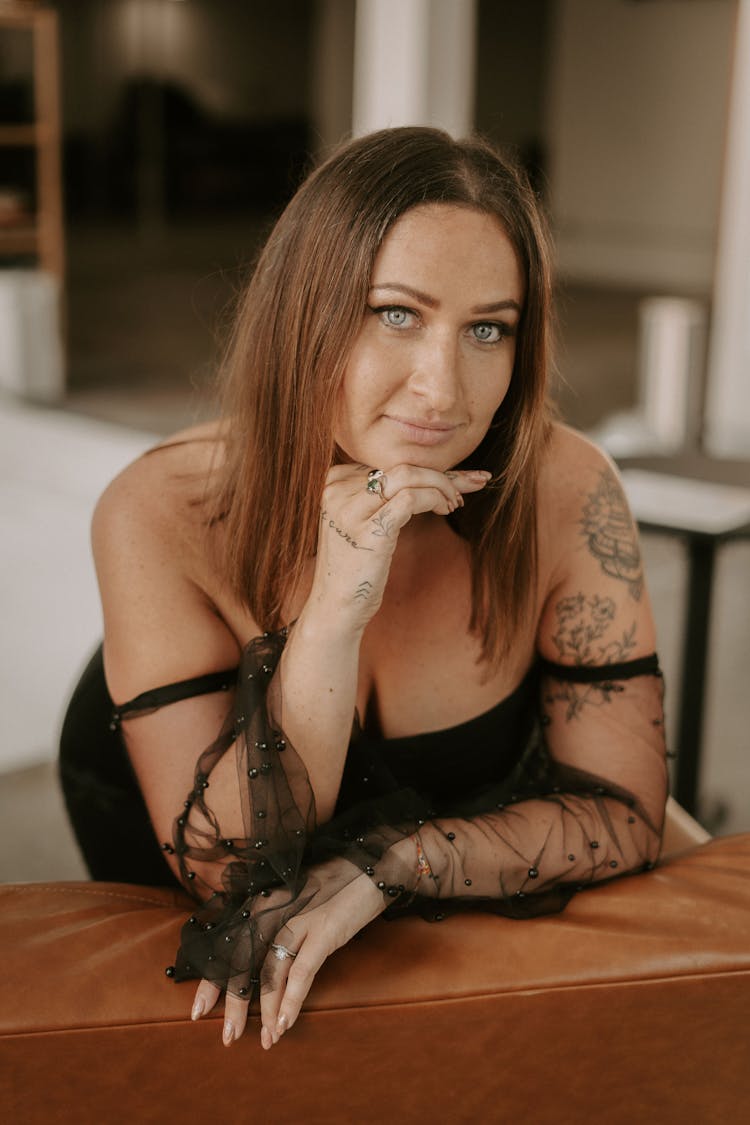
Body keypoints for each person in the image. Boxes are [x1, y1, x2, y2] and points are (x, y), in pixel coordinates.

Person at [59, 126, 668, 1051]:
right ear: (306, 310)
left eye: (488, 328)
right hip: (167, 804)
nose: (443, 388)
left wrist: (398, 859)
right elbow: (232, 875)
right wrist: (337, 605)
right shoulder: (159, 509)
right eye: (395, 313)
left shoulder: (568, 490)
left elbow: (624, 812)